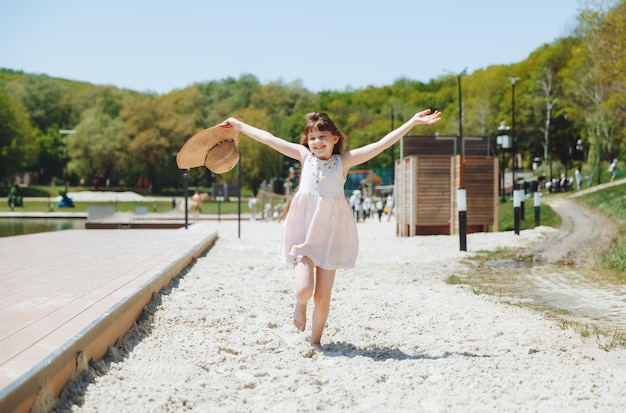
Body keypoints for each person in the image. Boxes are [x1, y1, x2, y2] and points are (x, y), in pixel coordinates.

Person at [220, 109, 441, 351]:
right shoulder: (304, 157)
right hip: (304, 233)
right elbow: (269, 138)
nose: (316, 142)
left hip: (331, 235)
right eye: (312, 137)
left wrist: (412, 121)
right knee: (304, 290)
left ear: (335, 138)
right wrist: (238, 126)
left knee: (323, 297)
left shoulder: (343, 162)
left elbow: (382, 144)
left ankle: (316, 341)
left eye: (322, 136)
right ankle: (299, 304)